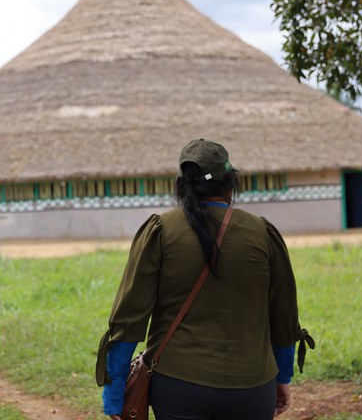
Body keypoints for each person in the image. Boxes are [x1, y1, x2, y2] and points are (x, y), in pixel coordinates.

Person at [95, 139, 313, 420]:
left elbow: (129, 318)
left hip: (178, 386)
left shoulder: (161, 231)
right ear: (231, 183)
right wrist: (282, 378)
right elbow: (284, 316)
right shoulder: (263, 233)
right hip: (253, 388)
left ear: (180, 185)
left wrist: (113, 397)